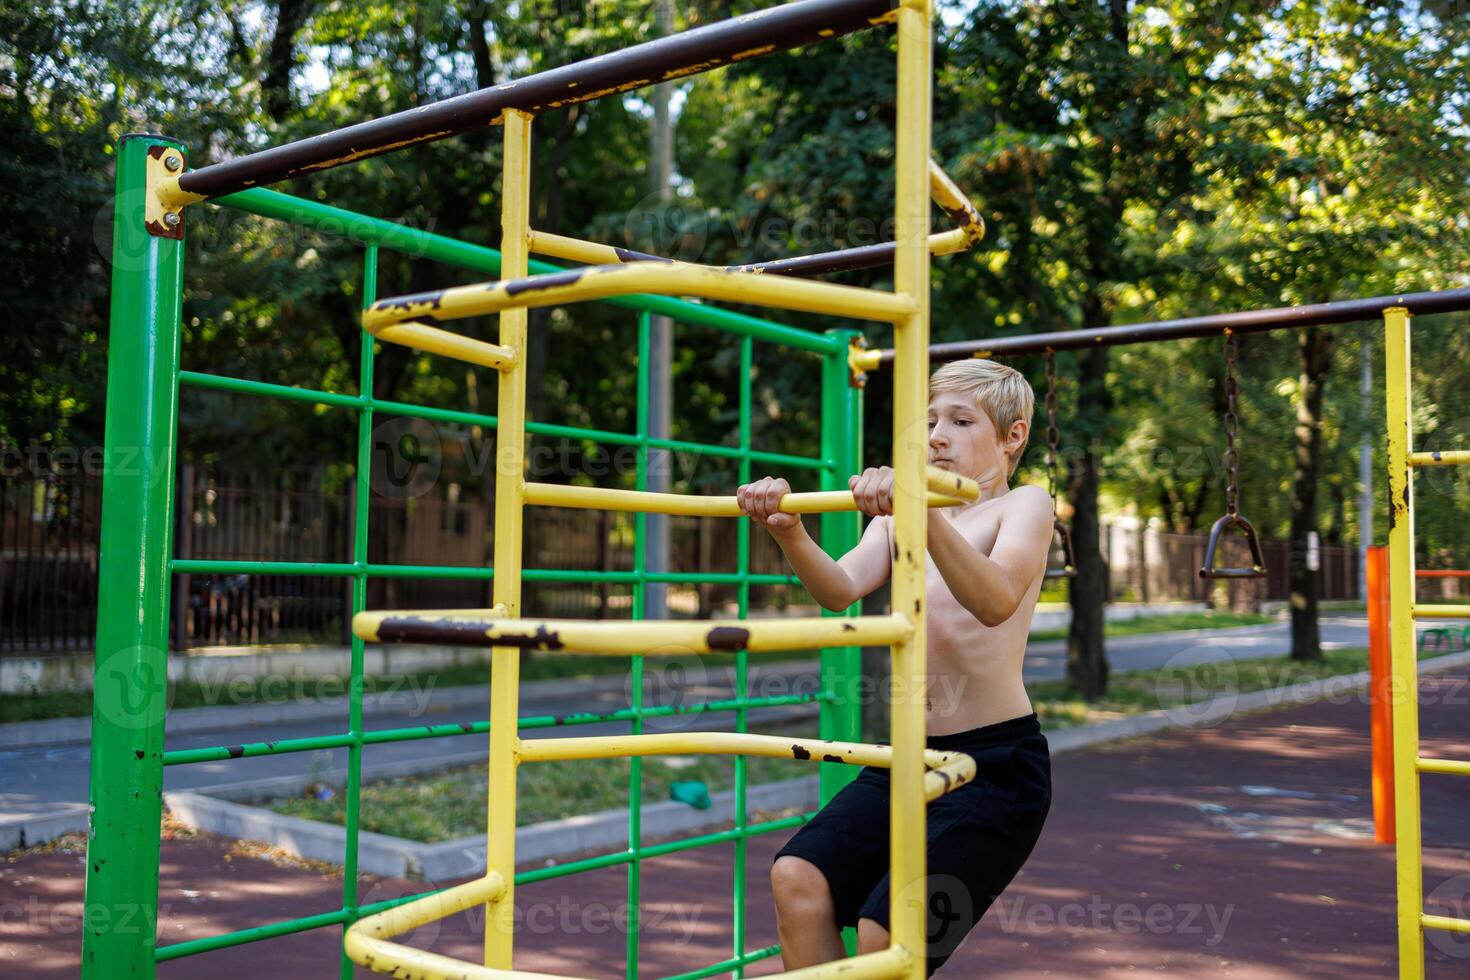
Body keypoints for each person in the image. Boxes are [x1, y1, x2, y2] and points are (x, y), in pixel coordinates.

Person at [735, 358, 1055, 976]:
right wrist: (790, 532)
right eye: (931, 419)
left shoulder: (1025, 507)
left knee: (890, 930)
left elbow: (993, 601)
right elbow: (840, 590)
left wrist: (922, 512)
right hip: (907, 757)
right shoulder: (897, 518)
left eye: (961, 421)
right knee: (798, 880)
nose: (936, 435)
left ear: (1013, 437)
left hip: (993, 770)